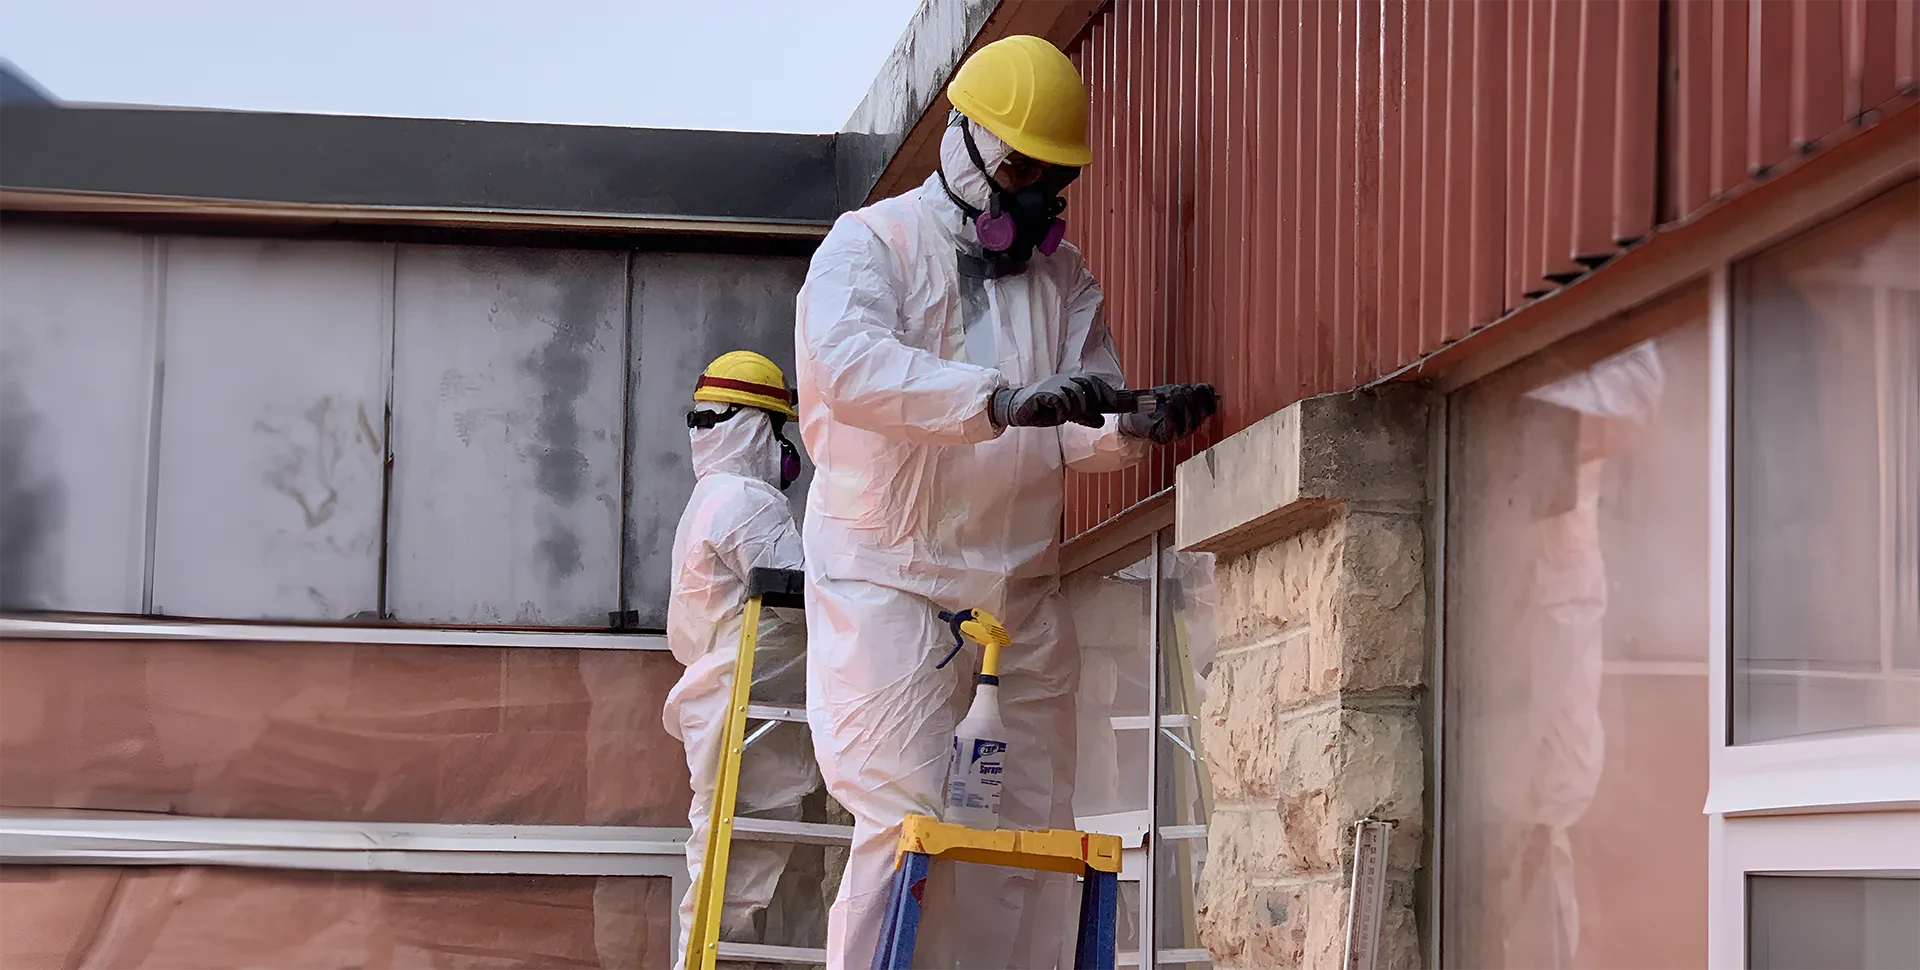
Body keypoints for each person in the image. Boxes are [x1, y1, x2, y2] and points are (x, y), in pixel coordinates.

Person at [792, 34, 1217, 970]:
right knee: (907, 821)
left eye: (1053, 177)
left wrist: (1133, 423)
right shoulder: (872, 245)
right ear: (964, 141)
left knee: (1026, 839)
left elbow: (1078, 421)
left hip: (1019, 598)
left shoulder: (1064, 281)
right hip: (892, 584)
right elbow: (847, 368)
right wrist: (995, 400)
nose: (1036, 196)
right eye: (1022, 169)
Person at [663, 350, 822, 970]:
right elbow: (803, 602)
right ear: (756, 428)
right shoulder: (748, 502)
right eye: (779, 432)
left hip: (724, 702)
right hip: (750, 711)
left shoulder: (707, 499)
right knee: (741, 874)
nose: (787, 452)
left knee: (719, 870)